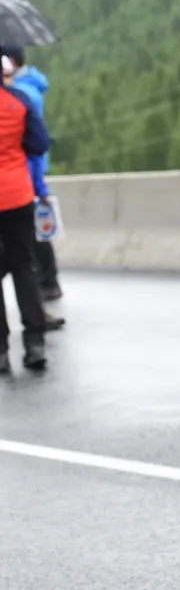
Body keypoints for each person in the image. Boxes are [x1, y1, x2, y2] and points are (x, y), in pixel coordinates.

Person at [0, 53, 52, 373]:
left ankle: (1, 351)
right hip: (17, 194)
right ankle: (34, 343)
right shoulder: (19, 100)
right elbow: (40, 143)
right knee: (24, 266)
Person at [1, 44, 61, 302]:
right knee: (28, 243)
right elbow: (39, 141)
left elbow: (33, 142)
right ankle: (47, 286)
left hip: (20, 175)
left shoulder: (19, 96)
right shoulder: (30, 89)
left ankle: (46, 284)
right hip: (24, 175)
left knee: (23, 248)